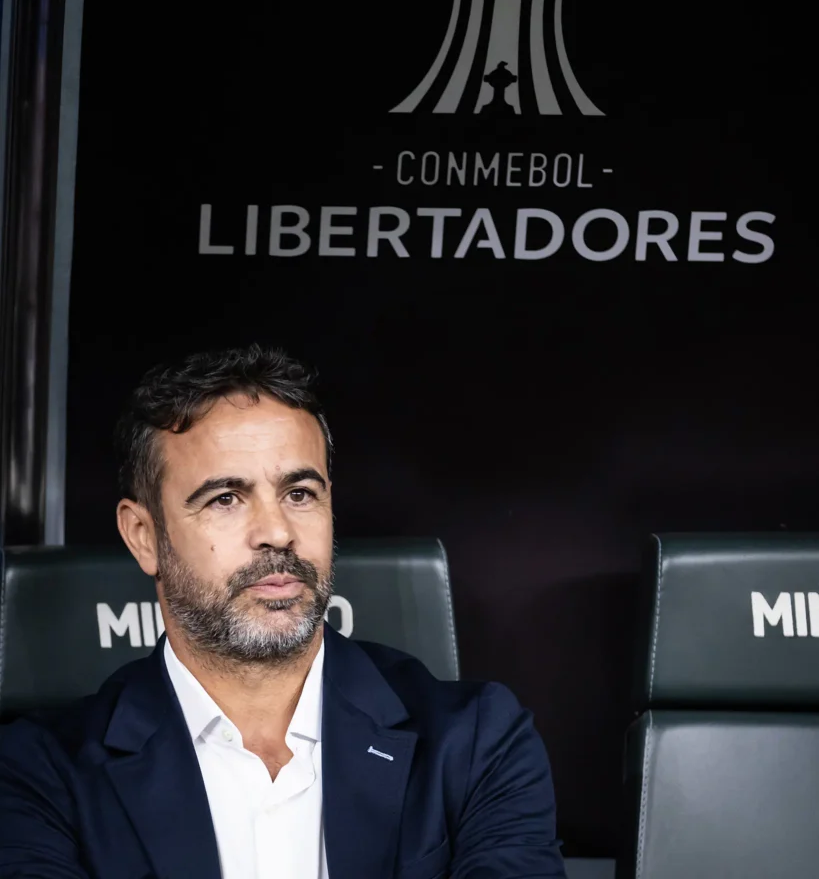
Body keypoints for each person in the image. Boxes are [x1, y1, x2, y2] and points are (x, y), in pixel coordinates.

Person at [0, 345, 566, 878]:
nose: (277, 531)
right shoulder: (38, 774)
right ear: (144, 536)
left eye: (300, 494)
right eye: (226, 499)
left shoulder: (477, 742)